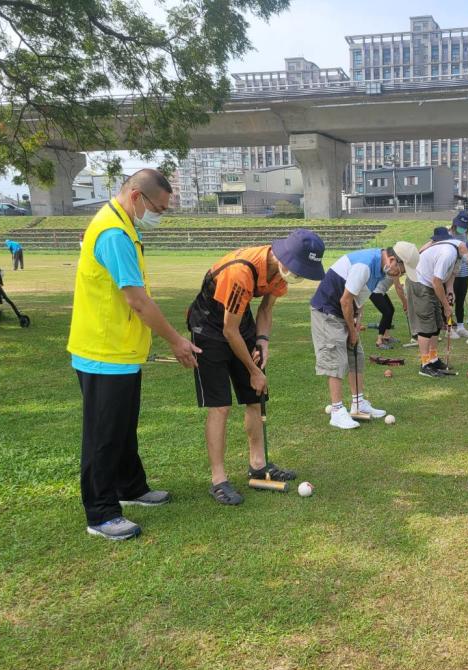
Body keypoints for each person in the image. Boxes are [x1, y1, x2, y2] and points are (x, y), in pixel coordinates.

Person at [67, 169, 200, 541]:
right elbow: (138, 301)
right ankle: (101, 512)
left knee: (122, 427)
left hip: (120, 351)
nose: (159, 214)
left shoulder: (125, 226)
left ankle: (131, 487)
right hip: (102, 351)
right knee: (103, 435)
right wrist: (176, 340)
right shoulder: (114, 233)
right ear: (138, 196)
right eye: (159, 207)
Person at [187, 229, 326, 505]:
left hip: (239, 323)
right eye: (299, 268)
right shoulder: (241, 272)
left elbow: (265, 310)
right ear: (285, 257)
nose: (299, 275)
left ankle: (259, 466)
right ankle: (218, 480)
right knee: (221, 406)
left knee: (255, 397)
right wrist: (254, 369)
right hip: (210, 328)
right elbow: (229, 331)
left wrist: (262, 342)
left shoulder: (278, 273)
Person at [311, 242, 420, 429]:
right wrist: (352, 331)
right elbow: (345, 300)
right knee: (335, 358)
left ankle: (358, 404)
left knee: (357, 356)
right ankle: (337, 411)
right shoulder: (365, 265)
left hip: (342, 310)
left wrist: (357, 322)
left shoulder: (379, 269)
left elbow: (358, 299)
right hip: (327, 311)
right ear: (393, 260)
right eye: (401, 270)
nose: (400, 275)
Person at [409, 227, 468, 378]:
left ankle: (433, 359)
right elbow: (436, 281)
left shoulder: (460, 255)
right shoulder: (449, 253)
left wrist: (450, 292)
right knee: (427, 324)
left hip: (431, 283)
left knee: (436, 324)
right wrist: (446, 306)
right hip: (420, 282)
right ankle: (425, 364)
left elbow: (451, 275)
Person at [449, 209, 468, 339]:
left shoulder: (464, 235)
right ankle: (448, 328)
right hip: (450, 275)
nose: (462, 229)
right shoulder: (448, 234)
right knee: (449, 301)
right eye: (460, 225)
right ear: (455, 223)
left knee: (460, 301)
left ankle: (460, 327)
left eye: (465, 226)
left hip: (464, 273)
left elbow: (467, 252)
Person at [369, 276, 408, 349]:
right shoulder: (395, 270)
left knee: (391, 310)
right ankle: (379, 341)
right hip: (375, 292)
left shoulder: (397, 269)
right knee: (387, 313)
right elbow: (398, 287)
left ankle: (386, 336)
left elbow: (399, 286)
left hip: (381, 291)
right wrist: (405, 303)